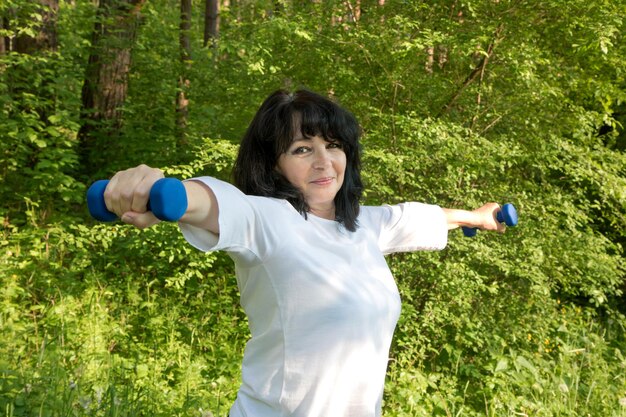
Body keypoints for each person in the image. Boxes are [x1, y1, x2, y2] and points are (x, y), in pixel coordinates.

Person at [102, 89, 505, 417]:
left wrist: (476, 216)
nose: (324, 161)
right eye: (301, 149)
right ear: (274, 165)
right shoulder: (267, 220)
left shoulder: (363, 225)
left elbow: (414, 217)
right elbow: (211, 200)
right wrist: (158, 189)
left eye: (333, 145)